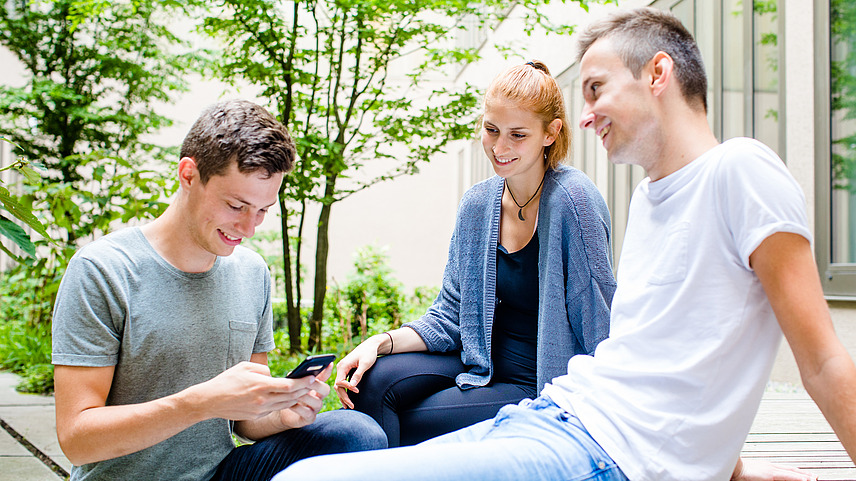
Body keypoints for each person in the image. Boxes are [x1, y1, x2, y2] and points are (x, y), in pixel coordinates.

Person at [272, 7, 856, 481]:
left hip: (594, 446)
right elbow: (660, 365)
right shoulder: (655, 200)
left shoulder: (739, 170)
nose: (585, 116)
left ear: (658, 74)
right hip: (559, 416)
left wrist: (710, 461)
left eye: (596, 88)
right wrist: (727, 463)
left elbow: (825, 360)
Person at [51, 100, 386, 481]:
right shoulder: (103, 270)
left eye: (262, 210)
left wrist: (282, 414)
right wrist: (199, 403)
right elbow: (77, 439)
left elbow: (245, 420)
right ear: (189, 175)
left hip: (218, 473)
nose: (249, 228)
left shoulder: (251, 272)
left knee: (356, 433)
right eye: (235, 205)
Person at [333, 60, 615, 447]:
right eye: (491, 129)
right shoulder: (478, 205)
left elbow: (599, 321)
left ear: (551, 133)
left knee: (407, 421)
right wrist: (378, 342)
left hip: (533, 379)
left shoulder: (574, 201)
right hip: (476, 360)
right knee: (373, 382)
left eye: (517, 135)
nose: (500, 148)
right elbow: (450, 314)